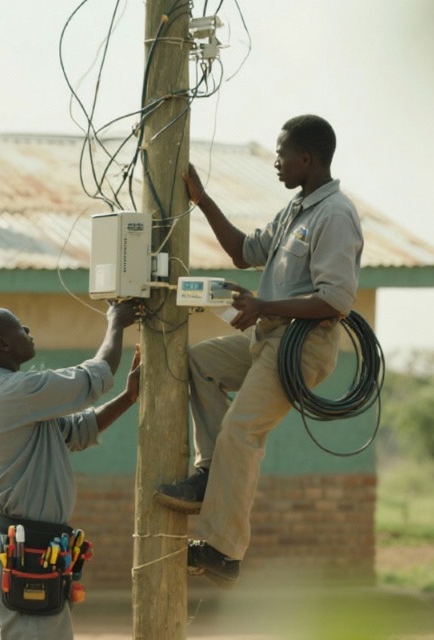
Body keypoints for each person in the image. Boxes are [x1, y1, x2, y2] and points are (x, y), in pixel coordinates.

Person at [154, 114, 364, 589]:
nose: (276, 161)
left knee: (241, 430)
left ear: (306, 158)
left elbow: (336, 300)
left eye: (282, 153)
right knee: (198, 363)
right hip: (266, 337)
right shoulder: (297, 209)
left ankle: (223, 551)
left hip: (302, 345)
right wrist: (202, 200)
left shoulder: (336, 215)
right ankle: (209, 477)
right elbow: (244, 251)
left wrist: (263, 303)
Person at [0, 300, 141, 640]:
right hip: (27, 550)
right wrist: (116, 323)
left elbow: (75, 431)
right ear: (3, 343)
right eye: (19, 326)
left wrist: (128, 398)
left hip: (38, 548)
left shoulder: (7, 395)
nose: (28, 331)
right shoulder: (12, 392)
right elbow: (95, 375)